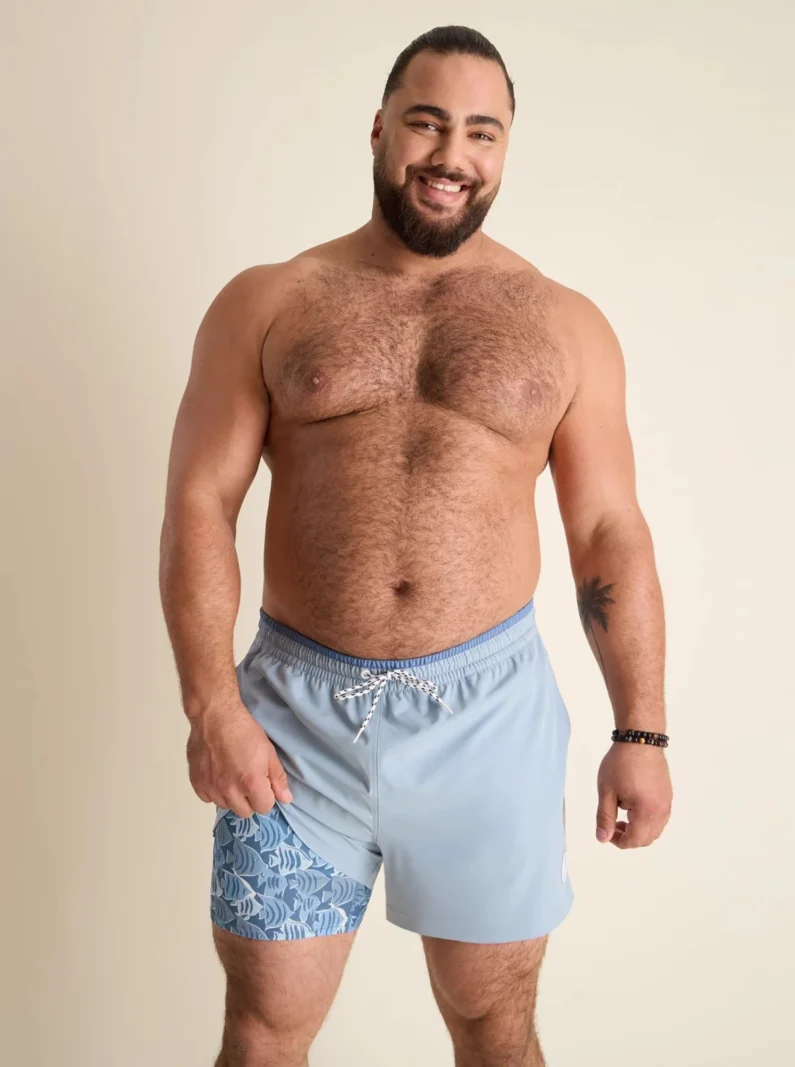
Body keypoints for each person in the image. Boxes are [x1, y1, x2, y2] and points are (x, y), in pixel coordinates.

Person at [159, 23, 673, 1067]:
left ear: (505, 148)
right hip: (292, 725)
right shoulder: (270, 301)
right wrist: (211, 706)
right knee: (262, 1030)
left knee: (493, 1027)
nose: (451, 155)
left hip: (488, 720)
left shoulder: (563, 324)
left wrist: (643, 730)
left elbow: (606, 531)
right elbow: (200, 502)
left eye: (481, 132)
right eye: (427, 123)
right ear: (378, 129)